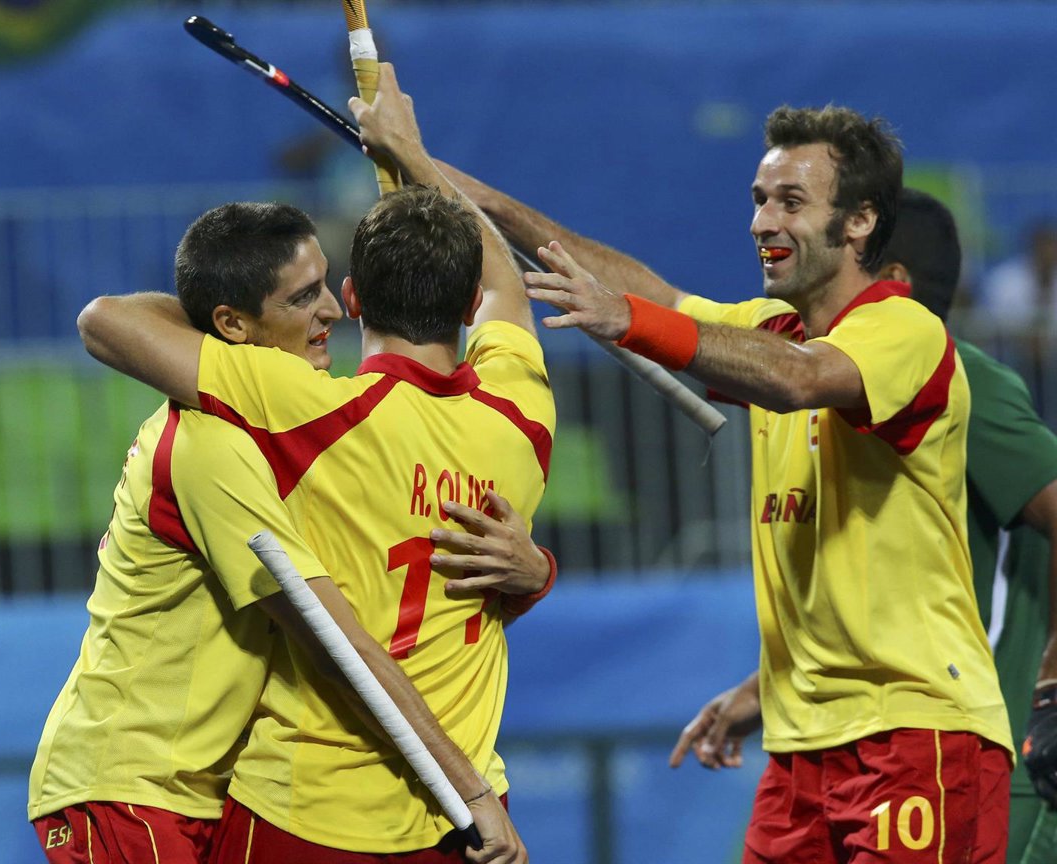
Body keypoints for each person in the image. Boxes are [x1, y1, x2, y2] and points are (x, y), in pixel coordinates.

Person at [445, 107, 1014, 862]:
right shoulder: (773, 329)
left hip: (916, 733)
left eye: (790, 202)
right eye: (759, 198)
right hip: (802, 743)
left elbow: (798, 380)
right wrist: (462, 190)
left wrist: (627, 320)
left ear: (858, 222)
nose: (762, 222)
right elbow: (660, 299)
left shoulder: (904, 330)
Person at [75, 64, 554, 863]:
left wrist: (216, 325)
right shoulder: (524, 419)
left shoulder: (303, 412)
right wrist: (414, 156)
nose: (325, 308)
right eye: (307, 296)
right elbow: (506, 280)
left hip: (303, 808)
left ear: (355, 296)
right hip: (457, 816)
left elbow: (108, 322)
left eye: (328, 292)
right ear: (472, 306)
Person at [670, 189, 1057, 864]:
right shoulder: (843, 378)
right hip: (859, 734)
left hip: (970, 743)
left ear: (892, 279)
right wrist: (764, 687)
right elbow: (877, 570)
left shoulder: (965, 378)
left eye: (844, 247)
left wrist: (1050, 685)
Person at [979, 220, 1057, 328]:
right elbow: (994, 320)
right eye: (1045, 247)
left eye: (1053, 248)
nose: (1049, 253)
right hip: (1010, 337)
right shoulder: (1005, 280)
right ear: (1034, 247)